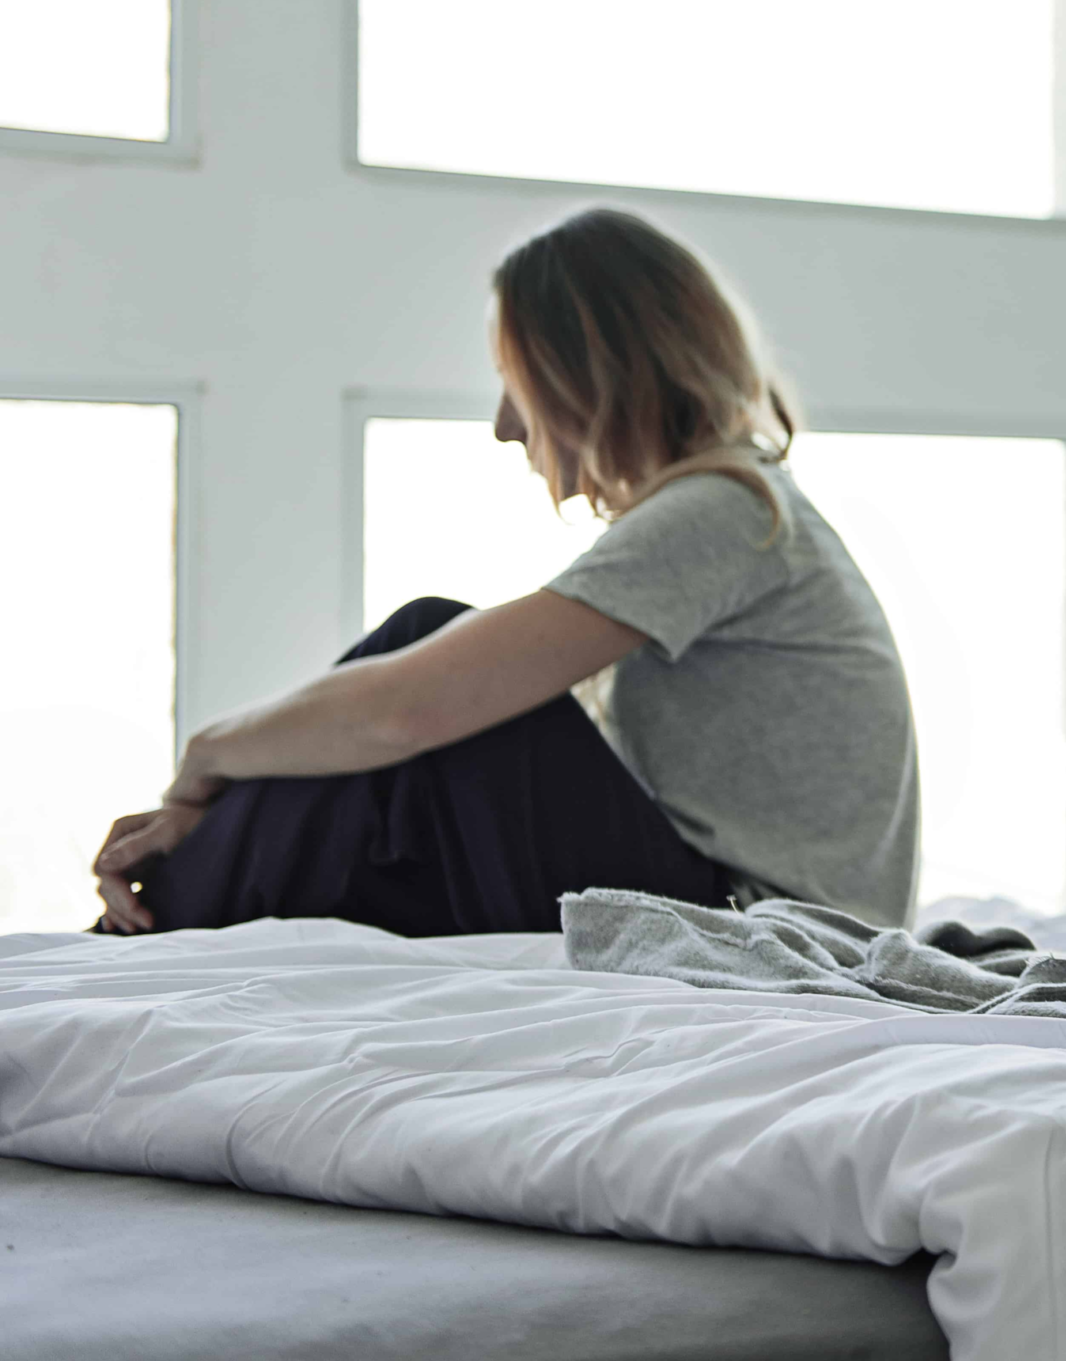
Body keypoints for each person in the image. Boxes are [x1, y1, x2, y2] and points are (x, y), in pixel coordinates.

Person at [93, 208, 920, 937]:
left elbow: (405, 710)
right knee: (372, 804)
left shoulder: (724, 509)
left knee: (428, 645)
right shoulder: (740, 506)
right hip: (734, 903)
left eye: (515, 386)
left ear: (592, 378)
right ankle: (167, 901)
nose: (502, 425)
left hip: (751, 924)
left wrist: (207, 756)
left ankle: (140, 924)